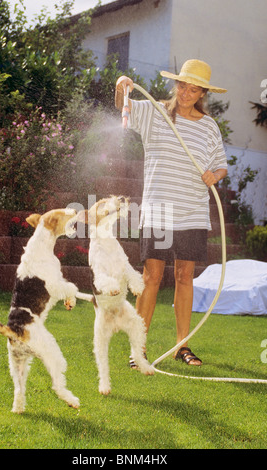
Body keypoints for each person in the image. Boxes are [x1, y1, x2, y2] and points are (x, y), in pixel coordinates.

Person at [115, 59, 228, 366]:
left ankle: (182, 346)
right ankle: (138, 348)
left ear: (202, 93)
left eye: (194, 89)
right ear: (176, 85)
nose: (186, 93)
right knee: (152, 276)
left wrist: (214, 176)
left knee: (184, 277)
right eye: (182, 86)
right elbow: (123, 105)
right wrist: (121, 86)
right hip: (159, 210)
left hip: (192, 211)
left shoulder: (208, 127)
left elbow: (221, 164)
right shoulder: (155, 112)